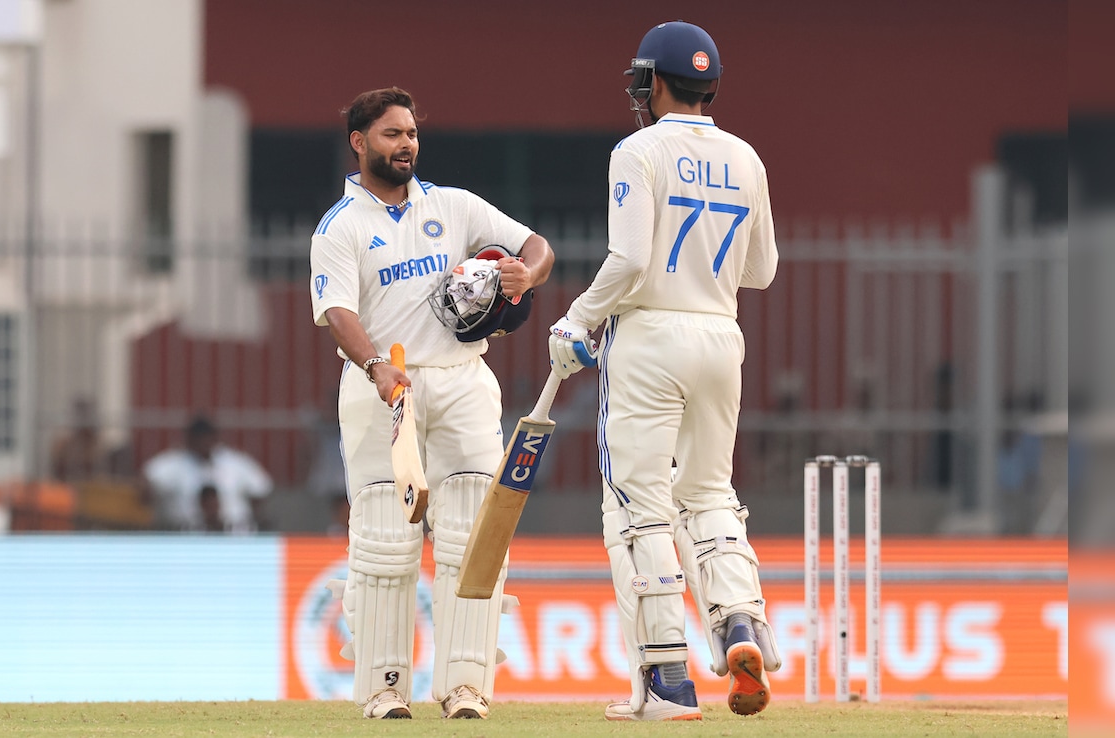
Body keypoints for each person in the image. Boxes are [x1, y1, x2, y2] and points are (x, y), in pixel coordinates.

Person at [547, 21, 781, 721]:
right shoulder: (746, 156)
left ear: (652, 82)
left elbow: (629, 260)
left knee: (636, 507)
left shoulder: (638, 151)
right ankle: (738, 622)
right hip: (721, 335)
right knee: (709, 493)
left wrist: (578, 319)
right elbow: (762, 270)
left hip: (650, 336)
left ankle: (666, 683)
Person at [309, 87, 554, 720]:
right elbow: (337, 312)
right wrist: (376, 367)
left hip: (462, 378)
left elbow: (537, 245)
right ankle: (384, 688)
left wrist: (527, 273)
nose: (406, 144)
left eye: (412, 133)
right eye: (392, 134)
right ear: (360, 142)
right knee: (386, 541)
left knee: (474, 534)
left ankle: (466, 686)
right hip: (382, 388)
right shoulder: (341, 226)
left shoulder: (454, 205)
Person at [142, 415, 272, 533]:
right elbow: (147, 482)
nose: (202, 442)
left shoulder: (235, 462)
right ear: (189, 439)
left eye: (206, 437)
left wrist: (252, 519)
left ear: (215, 438)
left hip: (233, 534)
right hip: (188, 536)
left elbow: (260, 489)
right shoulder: (174, 462)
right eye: (198, 438)